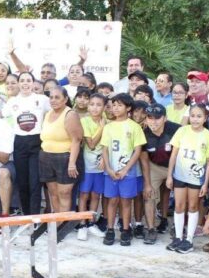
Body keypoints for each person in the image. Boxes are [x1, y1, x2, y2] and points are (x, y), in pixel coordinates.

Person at [166, 104, 209, 253]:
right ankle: (178, 237)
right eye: (193, 116)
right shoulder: (182, 131)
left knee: (193, 206)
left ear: (205, 118)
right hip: (180, 175)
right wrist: (169, 175)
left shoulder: (208, 135)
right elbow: (174, 155)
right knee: (179, 205)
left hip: (196, 178)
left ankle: (189, 239)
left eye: (199, 116)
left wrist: (205, 184)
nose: (195, 119)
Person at [101, 93, 146, 246]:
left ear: (128, 108)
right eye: (114, 105)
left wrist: (126, 169)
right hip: (111, 171)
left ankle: (126, 230)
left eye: (120, 105)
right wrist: (108, 168)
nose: (116, 108)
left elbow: (137, 150)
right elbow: (105, 149)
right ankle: (110, 229)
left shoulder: (134, 127)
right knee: (112, 201)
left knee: (126, 201)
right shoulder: (108, 127)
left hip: (128, 172)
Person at [4, 71, 50, 215]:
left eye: (28, 80)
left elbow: (54, 113)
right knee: (22, 182)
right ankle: (26, 214)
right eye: (22, 80)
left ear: (33, 82)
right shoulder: (12, 102)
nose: (25, 83)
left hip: (37, 142)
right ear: (18, 83)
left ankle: (35, 216)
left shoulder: (42, 99)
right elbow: (3, 118)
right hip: (19, 143)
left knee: (35, 181)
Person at [40, 87, 83, 214]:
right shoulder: (48, 114)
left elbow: (76, 140)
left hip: (65, 158)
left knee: (64, 193)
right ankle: (57, 224)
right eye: (51, 97)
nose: (53, 100)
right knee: (53, 193)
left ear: (65, 99)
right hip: (46, 158)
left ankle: (62, 225)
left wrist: (72, 163)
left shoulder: (70, 115)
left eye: (57, 97)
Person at [140, 103, 180, 241]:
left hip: (175, 166)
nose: (153, 121)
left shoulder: (176, 129)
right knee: (149, 195)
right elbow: (144, 160)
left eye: (157, 118)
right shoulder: (143, 133)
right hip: (154, 166)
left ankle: (178, 227)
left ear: (165, 118)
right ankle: (151, 229)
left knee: (181, 195)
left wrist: (171, 174)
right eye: (150, 118)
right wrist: (147, 183)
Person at [76, 93, 106, 240]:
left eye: (99, 105)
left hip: (101, 165)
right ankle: (82, 224)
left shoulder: (107, 122)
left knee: (96, 195)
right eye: (92, 104)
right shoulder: (85, 121)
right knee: (84, 194)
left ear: (104, 107)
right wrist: (101, 128)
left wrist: (105, 160)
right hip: (87, 165)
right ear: (88, 106)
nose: (95, 108)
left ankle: (91, 223)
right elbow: (91, 144)